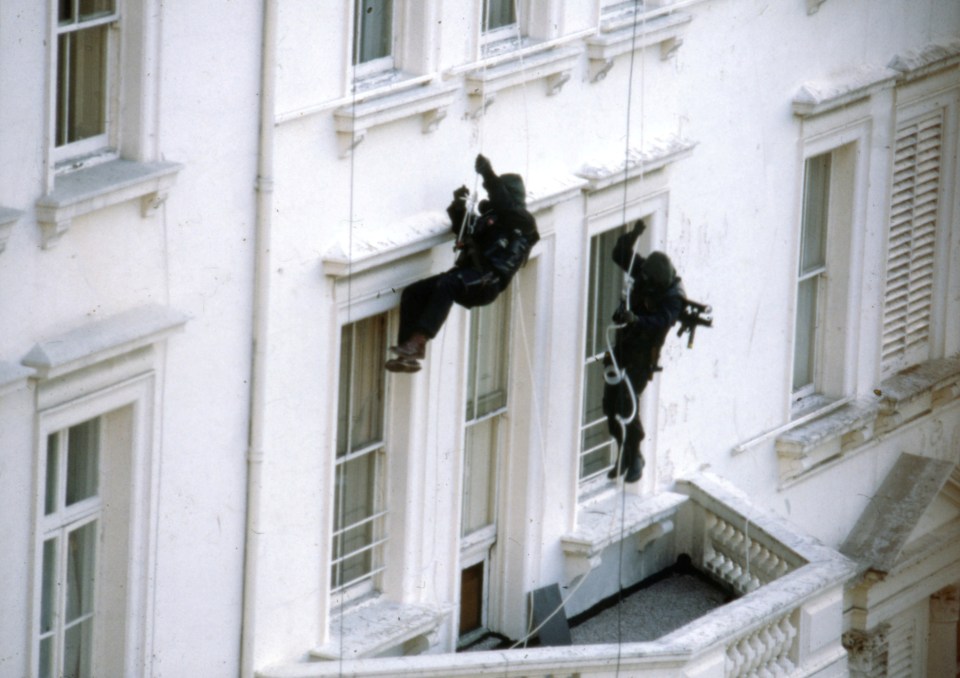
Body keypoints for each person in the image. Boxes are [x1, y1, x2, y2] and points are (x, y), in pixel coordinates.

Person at [385, 154, 539, 373]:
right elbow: (466, 231)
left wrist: (487, 173)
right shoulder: (492, 221)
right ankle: (407, 352)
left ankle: (419, 341)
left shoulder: (522, 222)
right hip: (470, 276)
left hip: (487, 282)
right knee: (414, 293)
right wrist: (459, 206)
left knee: (448, 283)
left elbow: (505, 205)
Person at [602, 219, 684, 482]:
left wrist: (635, 319)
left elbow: (662, 321)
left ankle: (635, 455)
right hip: (623, 348)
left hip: (641, 358)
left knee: (627, 404)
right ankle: (623, 454)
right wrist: (635, 233)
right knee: (609, 406)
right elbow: (620, 254)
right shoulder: (648, 272)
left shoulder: (673, 297)